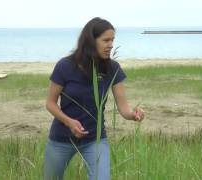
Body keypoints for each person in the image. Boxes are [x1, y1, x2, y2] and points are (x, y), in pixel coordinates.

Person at [44, 17, 145, 180]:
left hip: (95, 140)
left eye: (113, 40)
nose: (111, 45)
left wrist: (134, 115)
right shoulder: (65, 66)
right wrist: (69, 121)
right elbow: (50, 104)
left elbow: (123, 108)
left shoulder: (112, 68)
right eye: (106, 40)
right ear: (91, 41)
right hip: (61, 138)